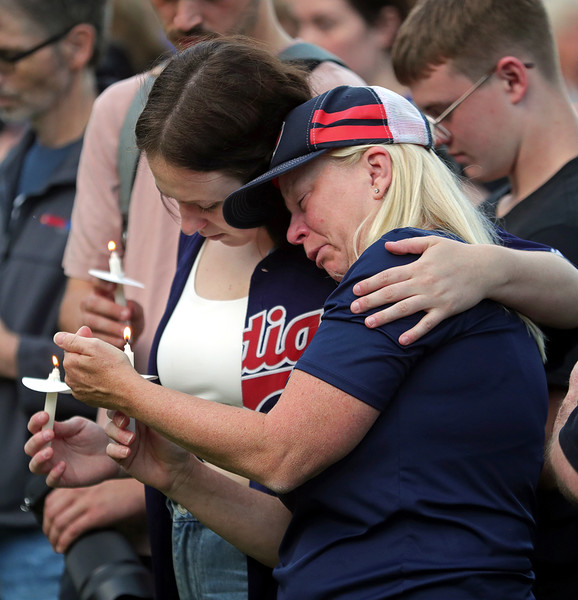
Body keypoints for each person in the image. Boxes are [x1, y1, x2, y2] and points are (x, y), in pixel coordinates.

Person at [32, 83, 553, 599]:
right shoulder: (454, 265)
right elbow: (303, 543)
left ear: (377, 171)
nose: (296, 232)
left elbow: (282, 454)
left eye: (303, 203)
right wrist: (176, 473)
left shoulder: (401, 266)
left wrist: (125, 391)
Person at [49, 0, 365, 596]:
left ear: (267, 175)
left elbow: (286, 455)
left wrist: (131, 393)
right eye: (172, 201)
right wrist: (123, 448)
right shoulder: (202, 243)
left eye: (208, 204)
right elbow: (186, 413)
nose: (188, 224)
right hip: (184, 545)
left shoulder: (329, 251)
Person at [386, 2, 578, 596]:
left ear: (512, 78)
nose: (437, 137)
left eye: (443, 112)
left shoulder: (570, 213)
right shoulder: (485, 216)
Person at [0, 1, 105, 598]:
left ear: (77, 46)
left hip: (50, 517)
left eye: (9, 56)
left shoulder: (127, 175)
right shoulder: (12, 165)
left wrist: (15, 354)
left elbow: (130, 355)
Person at [288, 0, 414, 94]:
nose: (304, 39)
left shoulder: (422, 118)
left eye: (326, 24)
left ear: (385, 25)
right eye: (297, 25)